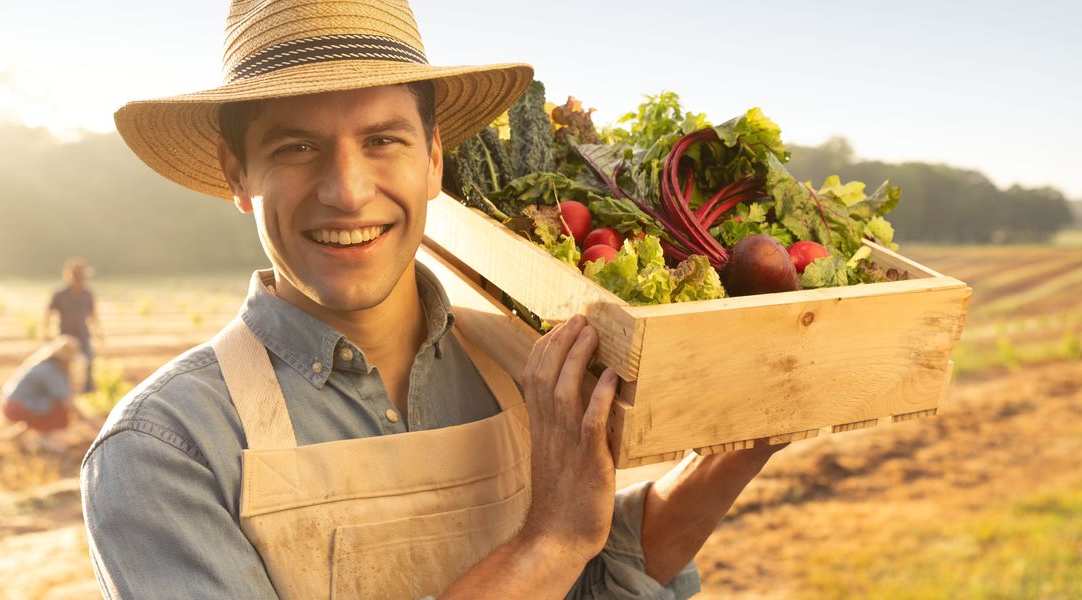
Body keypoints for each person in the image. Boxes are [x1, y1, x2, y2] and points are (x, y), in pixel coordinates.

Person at [81, 1, 785, 598]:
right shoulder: (164, 449)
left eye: (383, 140)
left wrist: (744, 444)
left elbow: (592, 575)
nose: (348, 190)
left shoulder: (520, 361)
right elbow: (563, 551)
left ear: (433, 160)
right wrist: (549, 543)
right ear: (238, 175)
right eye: (296, 148)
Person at [0, 335, 97, 452]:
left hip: (9, 404)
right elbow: (68, 403)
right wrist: (93, 424)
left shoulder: (46, 365)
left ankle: (18, 436)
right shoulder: (52, 371)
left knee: (48, 404)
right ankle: (43, 439)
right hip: (16, 407)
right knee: (60, 409)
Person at [44, 258, 102, 393]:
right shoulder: (59, 294)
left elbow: (93, 314)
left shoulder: (87, 294)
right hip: (65, 335)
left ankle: (88, 389)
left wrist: (98, 332)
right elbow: (49, 313)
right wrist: (45, 331)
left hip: (83, 333)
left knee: (89, 361)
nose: (79, 279)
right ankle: (62, 390)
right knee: (61, 363)